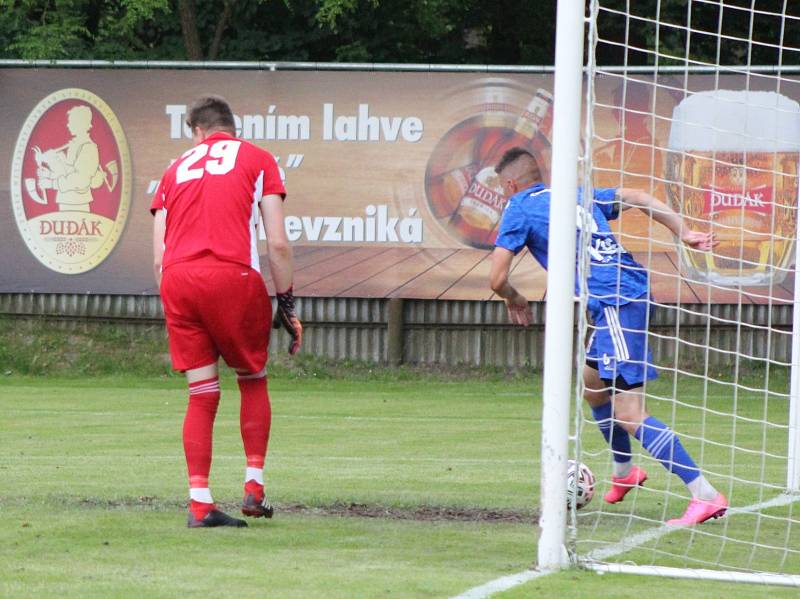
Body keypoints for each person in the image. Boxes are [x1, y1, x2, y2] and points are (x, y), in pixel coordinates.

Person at [489, 147, 728, 526]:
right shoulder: (574, 194)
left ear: (510, 183)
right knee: (592, 386)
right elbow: (637, 196)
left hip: (616, 300)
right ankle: (624, 472)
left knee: (630, 413)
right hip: (623, 293)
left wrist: (514, 298)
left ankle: (705, 495)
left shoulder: (517, 206)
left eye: (503, 189)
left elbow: (496, 278)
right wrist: (684, 233)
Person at [151, 95, 303, 528]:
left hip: (177, 280)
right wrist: (286, 301)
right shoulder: (258, 158)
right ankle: (253, 486)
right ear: (230, 129)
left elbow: (159, 257)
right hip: (231, 276)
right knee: (252, 378)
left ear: (197, 131)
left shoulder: (172, 169)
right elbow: (277, 242)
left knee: (201, 394)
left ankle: (200, 503)